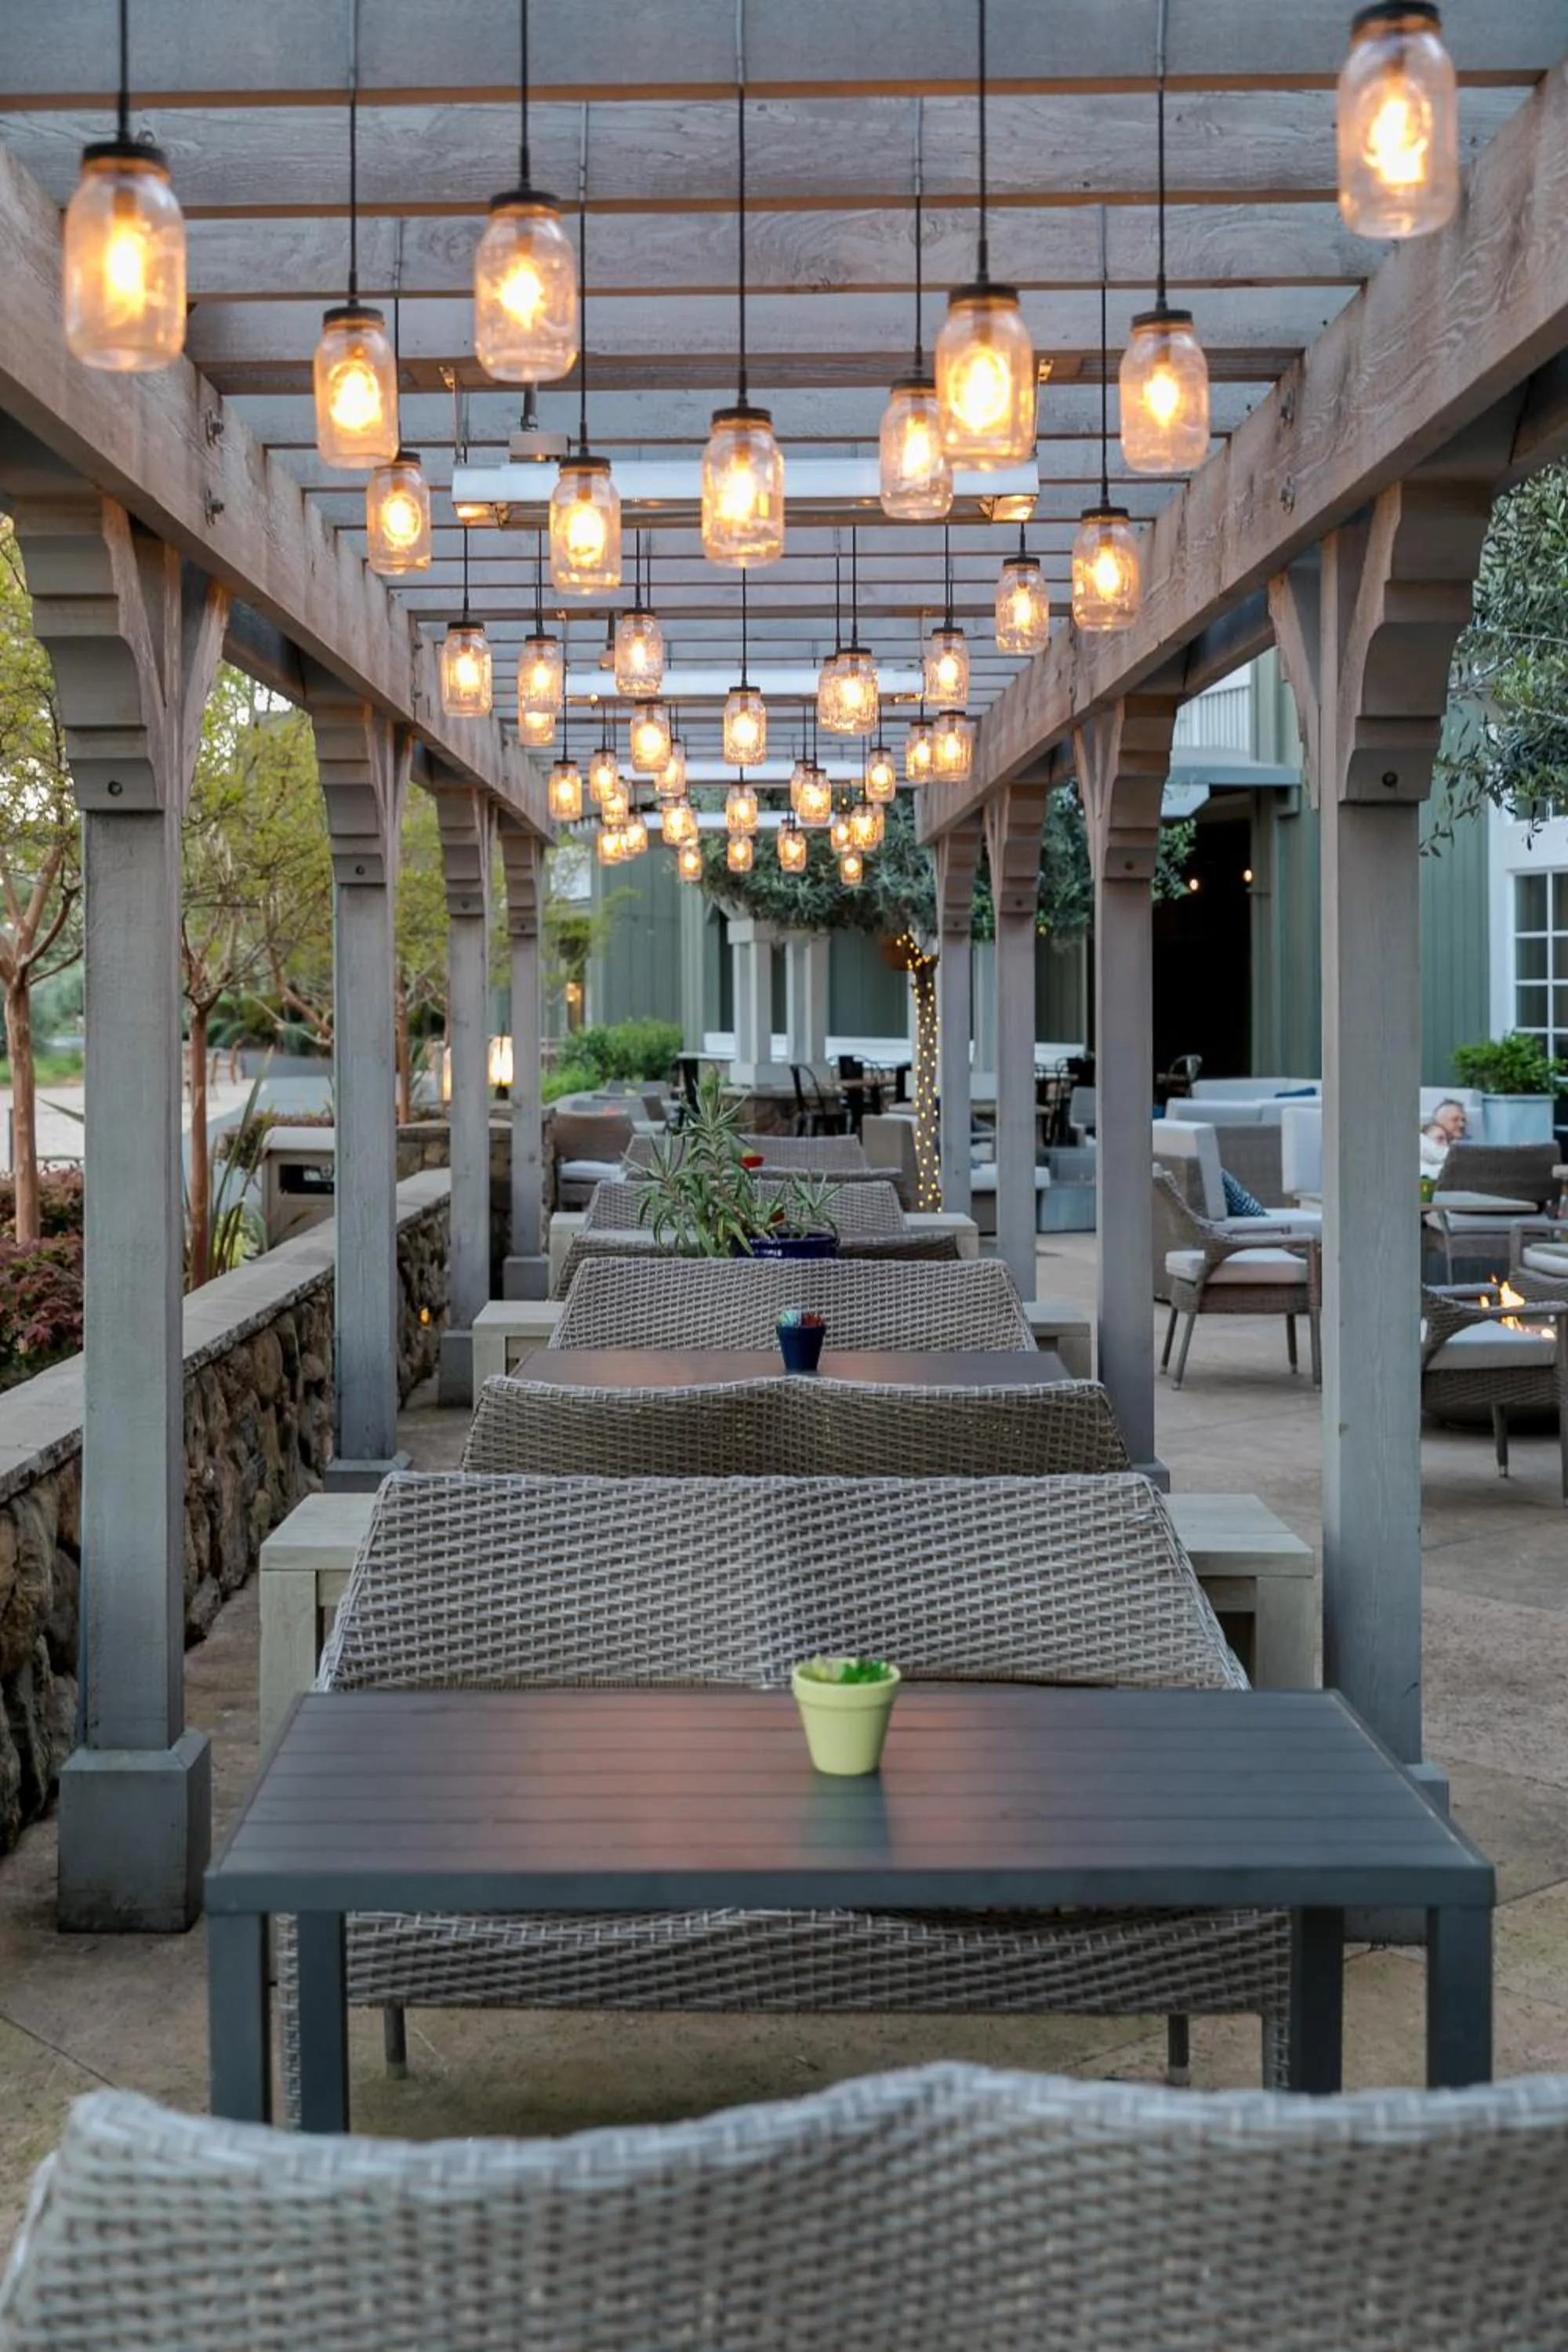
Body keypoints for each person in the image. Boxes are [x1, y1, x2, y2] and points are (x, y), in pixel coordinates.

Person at [1421, 1096, 1468, 1178]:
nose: (1461, 1125)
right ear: (1439, 1121)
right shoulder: (1423, 1140)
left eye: (1463, 1120)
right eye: (1455, 1120)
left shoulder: (1469, 1143)